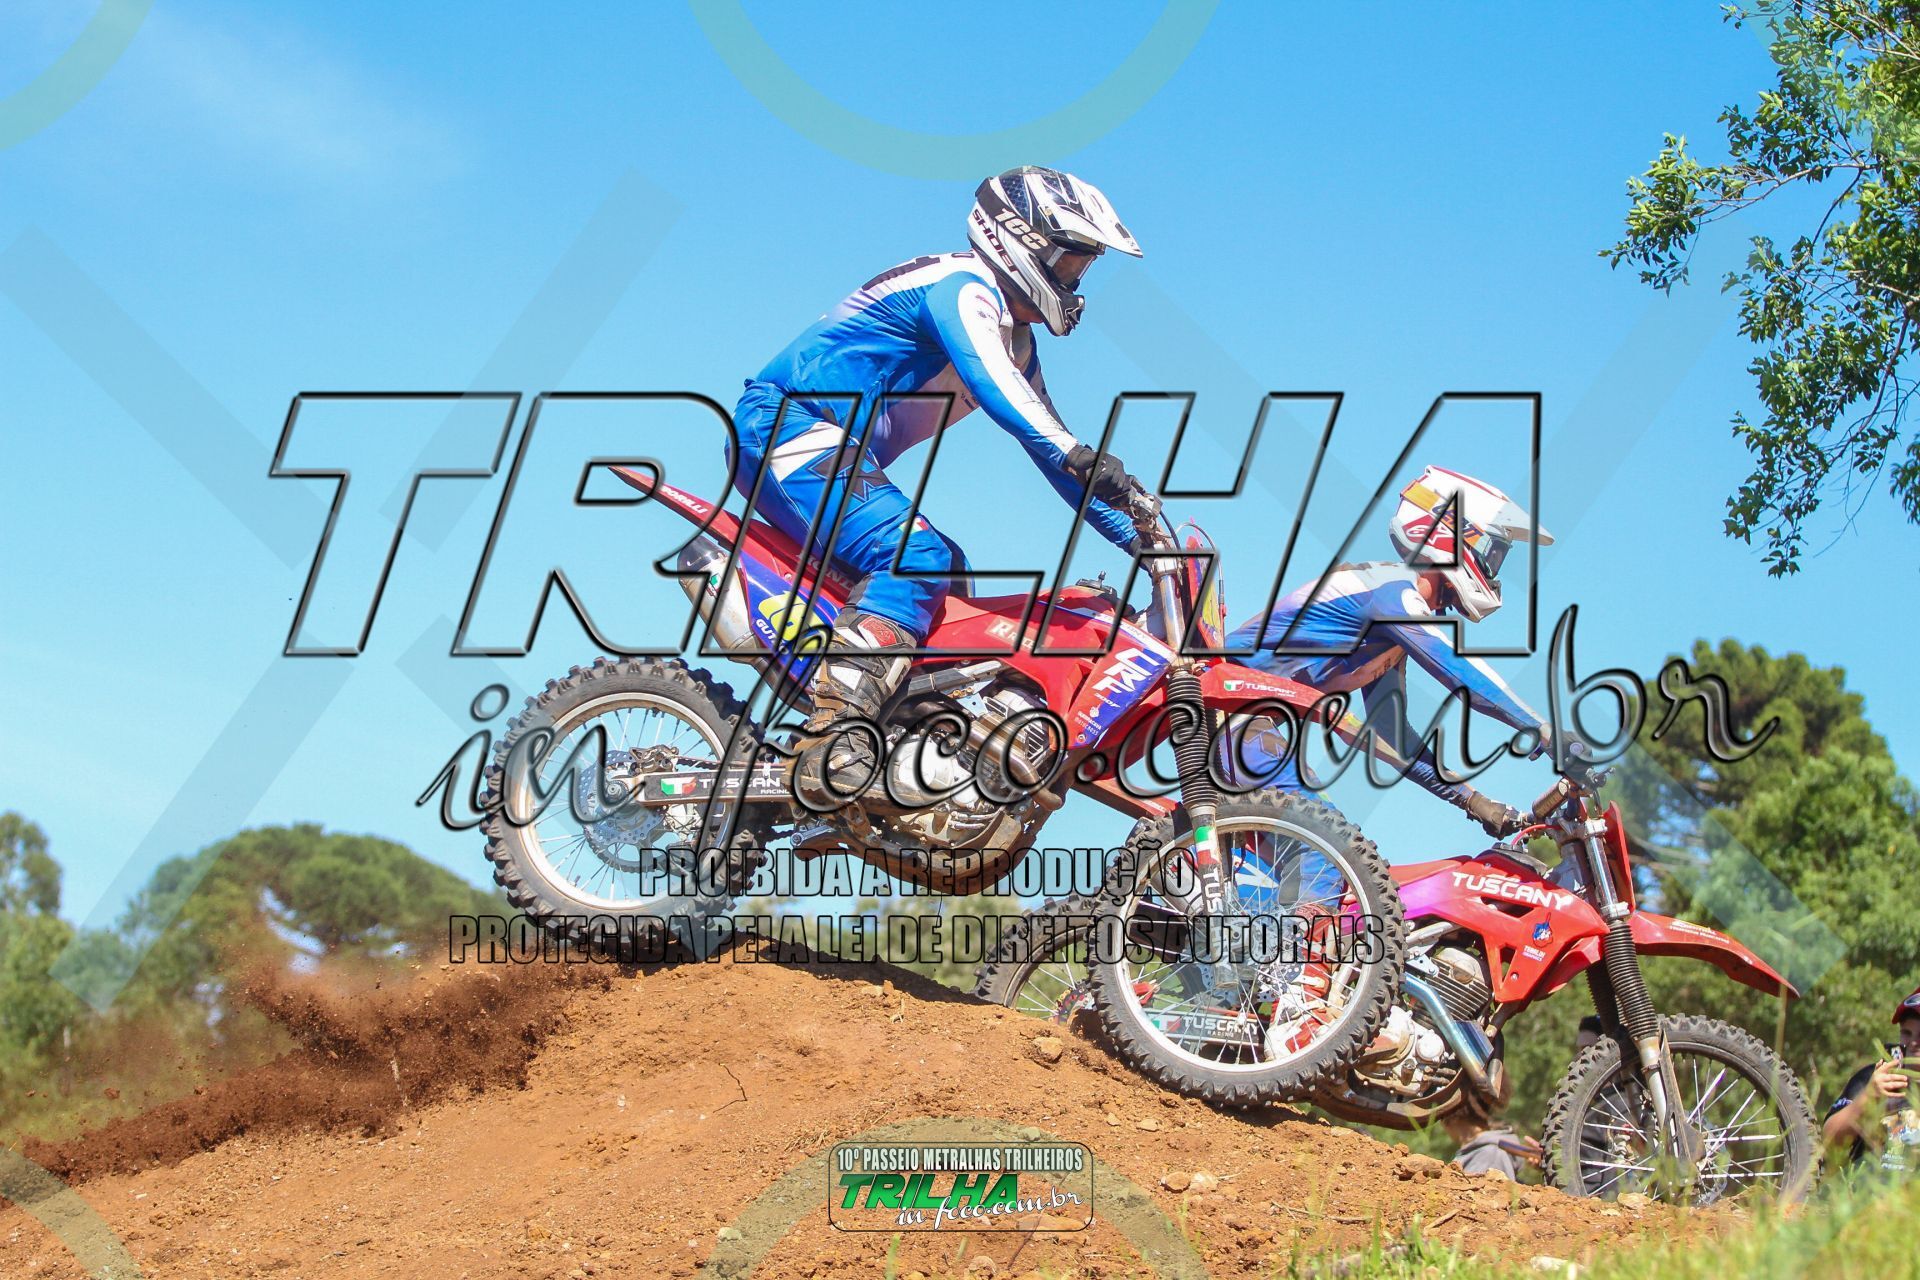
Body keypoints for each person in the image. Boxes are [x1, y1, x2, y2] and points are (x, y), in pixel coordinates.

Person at [729, 167, 1145, 788]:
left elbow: (1046, 447)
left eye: (1081, 268)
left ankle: (904, 752)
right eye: (1068, 261)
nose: (1073, 281)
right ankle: (835, 742)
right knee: (916, 557)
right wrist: (1077, 453)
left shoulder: (1014, 340)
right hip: (785, 427)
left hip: (830, 450)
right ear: (1020, 240)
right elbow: (1006, 400)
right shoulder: (964, 288)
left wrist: (1142, 537)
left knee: (950, 577)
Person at [1224, 465, 1554, 835]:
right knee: (1325, 843)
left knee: (1314, 855)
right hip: (1224, 709)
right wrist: (1545, 732)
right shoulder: (1392, 592)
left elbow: (1391, 733)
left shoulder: (1392, 627)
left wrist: (1472, 800)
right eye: (1492, 556)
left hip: (1236, 719)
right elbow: (1461, 673)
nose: (1493, 573)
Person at [1824, 986, 1920, 1171]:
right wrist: (1869, 1098)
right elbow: (1827, 1142)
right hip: (1867, 1186)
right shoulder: (1876, 1076)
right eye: (1906, 1033)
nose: (1913, 1042)